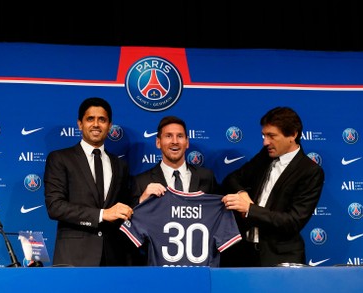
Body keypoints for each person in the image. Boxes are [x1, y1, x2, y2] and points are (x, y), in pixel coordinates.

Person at [220, 106, 324, 267]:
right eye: (264, 135)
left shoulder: (310, 172)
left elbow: (292, 221)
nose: (265, 142)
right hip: (242, 254)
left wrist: (249, 209)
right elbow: (232, 179)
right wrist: (241, 193)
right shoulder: (265, 156)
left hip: (279, 258)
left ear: (293, 135)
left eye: (271, 136)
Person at [44, 97, 133, 267]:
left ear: (109, 126)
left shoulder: (120, 165)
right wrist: (101, 214)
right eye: (90, 119)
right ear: (80, 124)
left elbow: (122, 208)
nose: (96, 124)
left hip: (113, 259)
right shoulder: (60, 159)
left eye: (102, 119)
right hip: (74, 258)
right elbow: (55, 206)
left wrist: (142, 199)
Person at [130, 116, 221, 265]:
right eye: (168, 136)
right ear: (158, 142)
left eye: (180, 136)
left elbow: (217, 219)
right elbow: (130, 231)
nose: (174, 141)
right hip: (158, 270)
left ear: (187, 142)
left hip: (198, 268)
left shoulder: (206, 177)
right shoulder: (141, 182)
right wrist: (141, 203)